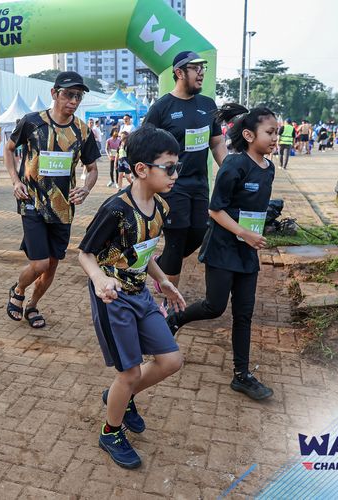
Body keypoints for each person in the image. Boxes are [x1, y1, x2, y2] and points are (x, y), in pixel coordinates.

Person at [78, 124, 186, 469]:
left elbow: (143, 252)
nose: (175, 174)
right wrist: (99, 280)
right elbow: (85, 253)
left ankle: (119, 398)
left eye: (177, 166)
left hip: (141, 295)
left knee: (171, 360)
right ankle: (110, 432)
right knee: (129, 373)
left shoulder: (161, 208)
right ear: (141, 169)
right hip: (113, 300)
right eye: (169, 167)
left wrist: (163, 280)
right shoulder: (115, 209)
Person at [167, 103, 278, 401]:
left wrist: (264, 222)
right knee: (214, 307)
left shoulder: (269, 169)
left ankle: (242, 376)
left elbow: (253, 207)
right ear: (249, 135)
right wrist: (244, 232)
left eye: (276, 132)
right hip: (222, 249)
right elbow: (215, 210)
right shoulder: (234, 165)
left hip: (247, 253)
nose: (275, 138)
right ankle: (175, 320)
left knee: (244, 314)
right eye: (269, 132)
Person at [4, 71, 100, 329]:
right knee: (40, 263)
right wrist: (15, 181)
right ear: (54, 93)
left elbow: (92, 168)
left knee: (52, 266)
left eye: (78, 96)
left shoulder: (82, 130)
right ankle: (18, 289)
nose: (73, 101)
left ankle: (32, 306)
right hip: (32, 201)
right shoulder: (32, 122)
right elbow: (9, 149)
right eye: (68, 94)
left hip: (63, 208)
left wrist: (85, 189)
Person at [143, 50, 228, 293]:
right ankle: (169, 303)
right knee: (176, 239)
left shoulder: (208, 105)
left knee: (199, 233)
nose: (201, 73)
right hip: (172, 185)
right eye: (195, 68)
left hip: (200, 184)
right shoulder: (161, 108)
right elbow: (144, 144)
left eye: (203, 68)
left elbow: (217, 143)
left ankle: (160, 265)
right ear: (179, 73)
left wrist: (230, 169)